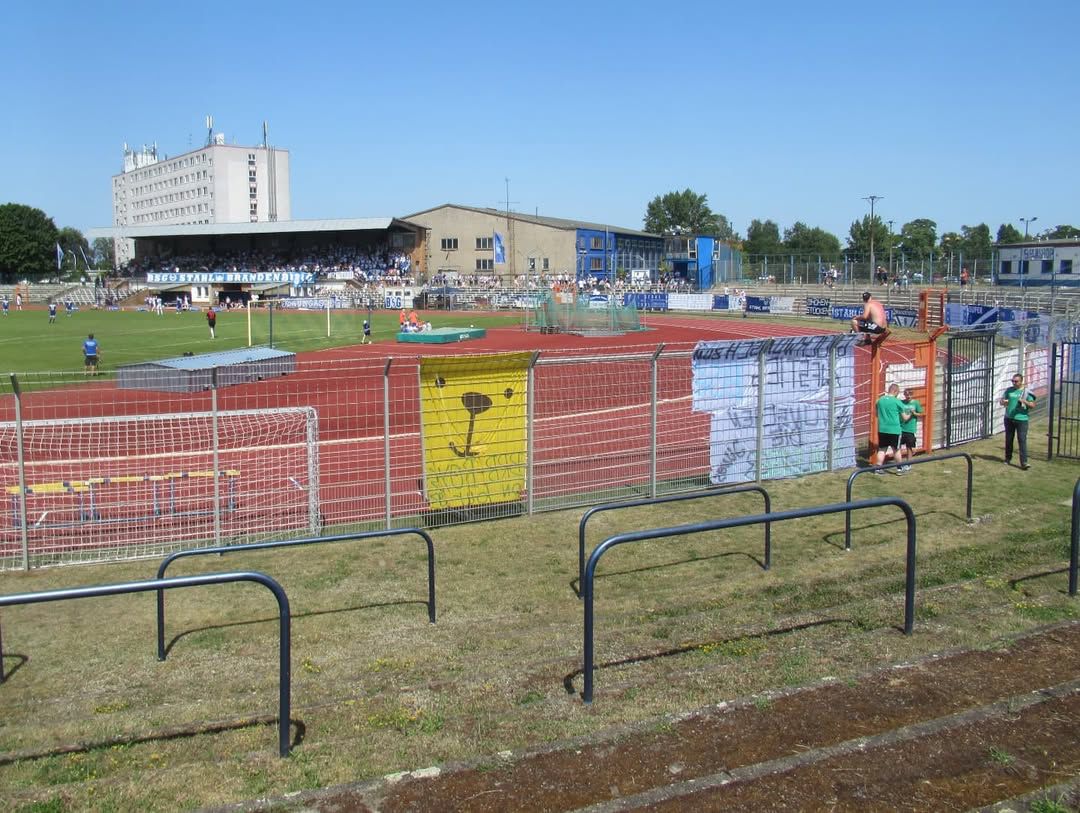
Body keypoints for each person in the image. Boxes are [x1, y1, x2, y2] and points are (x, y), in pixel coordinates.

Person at [873, 383, 911, 475]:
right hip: (894, 429)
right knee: (896, 449)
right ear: (895, 391)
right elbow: (905, 418)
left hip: (882, 429)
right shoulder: (897, 402)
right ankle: (899, 469)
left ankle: (878, 469)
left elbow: (876, 414)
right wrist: (910, 412)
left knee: (882, 449)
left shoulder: (879, 401)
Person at [1000, 373, 1035, 469]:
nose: (1014, 383)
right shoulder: (1009, 390)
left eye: (1016, 381)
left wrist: (1025, 402)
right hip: (1009, 419)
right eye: (1013, 381)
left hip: (1022, 420)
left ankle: (1024, 462)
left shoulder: (1026, 392)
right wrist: (1003, 402)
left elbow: (1032, 405)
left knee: (1022, 440)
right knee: (1009, 439)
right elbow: (1002, 401)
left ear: (1021, 381)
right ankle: (1007, 458)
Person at [898, 388, 925, 471]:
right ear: (904, 395)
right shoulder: (901, 402)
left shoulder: (916, 403)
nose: (908, 396)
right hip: (901, 428)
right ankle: (899, 463)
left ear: (912, 395)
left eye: (910, 394)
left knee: (909, 447)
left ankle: (908, 463)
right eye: (906, 395)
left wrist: (914, 413)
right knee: (897, 446)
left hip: (910, 428)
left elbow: (922, 414)